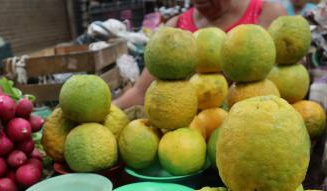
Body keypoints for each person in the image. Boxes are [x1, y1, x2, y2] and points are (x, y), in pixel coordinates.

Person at [114, 0, 286, 109]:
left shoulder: (267, 14)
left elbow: (288, 82)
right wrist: (110, 109)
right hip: (189, 140)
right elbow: (141, 92)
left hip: (255, 130)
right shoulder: (176, 27)